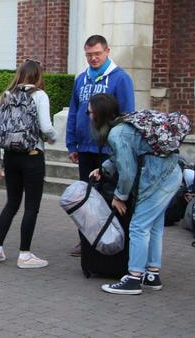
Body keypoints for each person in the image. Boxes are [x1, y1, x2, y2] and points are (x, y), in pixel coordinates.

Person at [86, 94, 182, 295]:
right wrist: (103, 170)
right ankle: (152, 274)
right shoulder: (125, 124)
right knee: (154, 225)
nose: (88, 115)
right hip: (171, 173)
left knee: (138, 226)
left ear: (100, 115)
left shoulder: (116, 134)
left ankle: (133, 278)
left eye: (91, 112)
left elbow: (127, 171)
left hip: (158, 178)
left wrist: (119, 196)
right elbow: (123, 157)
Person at [66, 34, 135, 255]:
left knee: (108, 195)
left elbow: (127, 115)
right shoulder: (81, 79)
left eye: (97, 54)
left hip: (110, 150)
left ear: (107, 51)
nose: (93, 58)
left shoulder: (120, 78)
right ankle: (87, 240)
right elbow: (74, 110)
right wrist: (71, 144)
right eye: (89, 55)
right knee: (87, 197)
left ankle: (113, 240)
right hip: (85, 147)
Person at [0, 60, 59, 268]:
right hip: (32, 154)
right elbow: (46, 126)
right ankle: (24, 254)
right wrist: (54, 137)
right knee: (31, 207)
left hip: (10, 155)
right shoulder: (39, 95)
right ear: (38, 75)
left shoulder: (6, 95)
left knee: (11, 203)